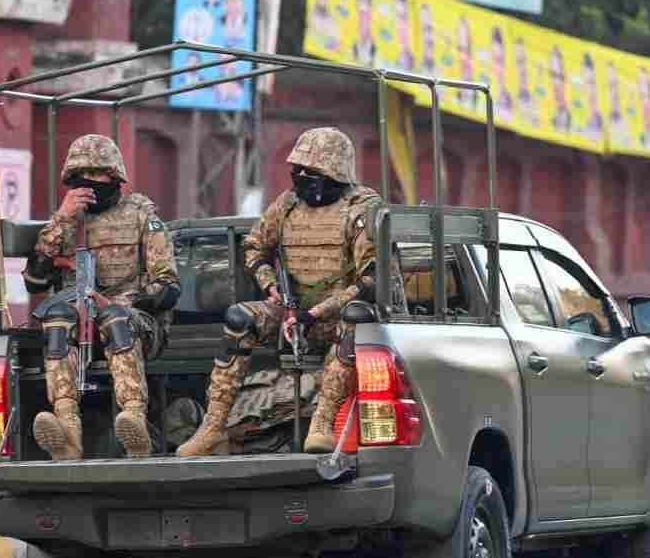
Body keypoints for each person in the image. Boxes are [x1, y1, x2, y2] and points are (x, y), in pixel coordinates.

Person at [177, 127, 391, 457]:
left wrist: (314, 314)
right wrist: (271, 286)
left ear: (334, 171)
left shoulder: (362, 208)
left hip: (336, 315)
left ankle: (321, 423)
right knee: (239, 318)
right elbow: (254, 247)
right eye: (297, 169)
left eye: (311, 170)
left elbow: (370, 281)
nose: (301, 176)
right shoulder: (287, 204)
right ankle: (213, 428)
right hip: (291, 311)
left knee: (357, 317)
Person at [23, 134, 180, 460]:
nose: (89, 182)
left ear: (114, 177)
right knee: (56, 318)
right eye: (82, 176)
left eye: (97, 174)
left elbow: (167, 287)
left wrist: (122, 303)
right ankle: (68, 431)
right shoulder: (65, 222)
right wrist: (62, 218)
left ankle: (134, 420)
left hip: (137, 325)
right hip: (80, 327)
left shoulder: (141, 215)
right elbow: (35, 281)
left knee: (114, 317)